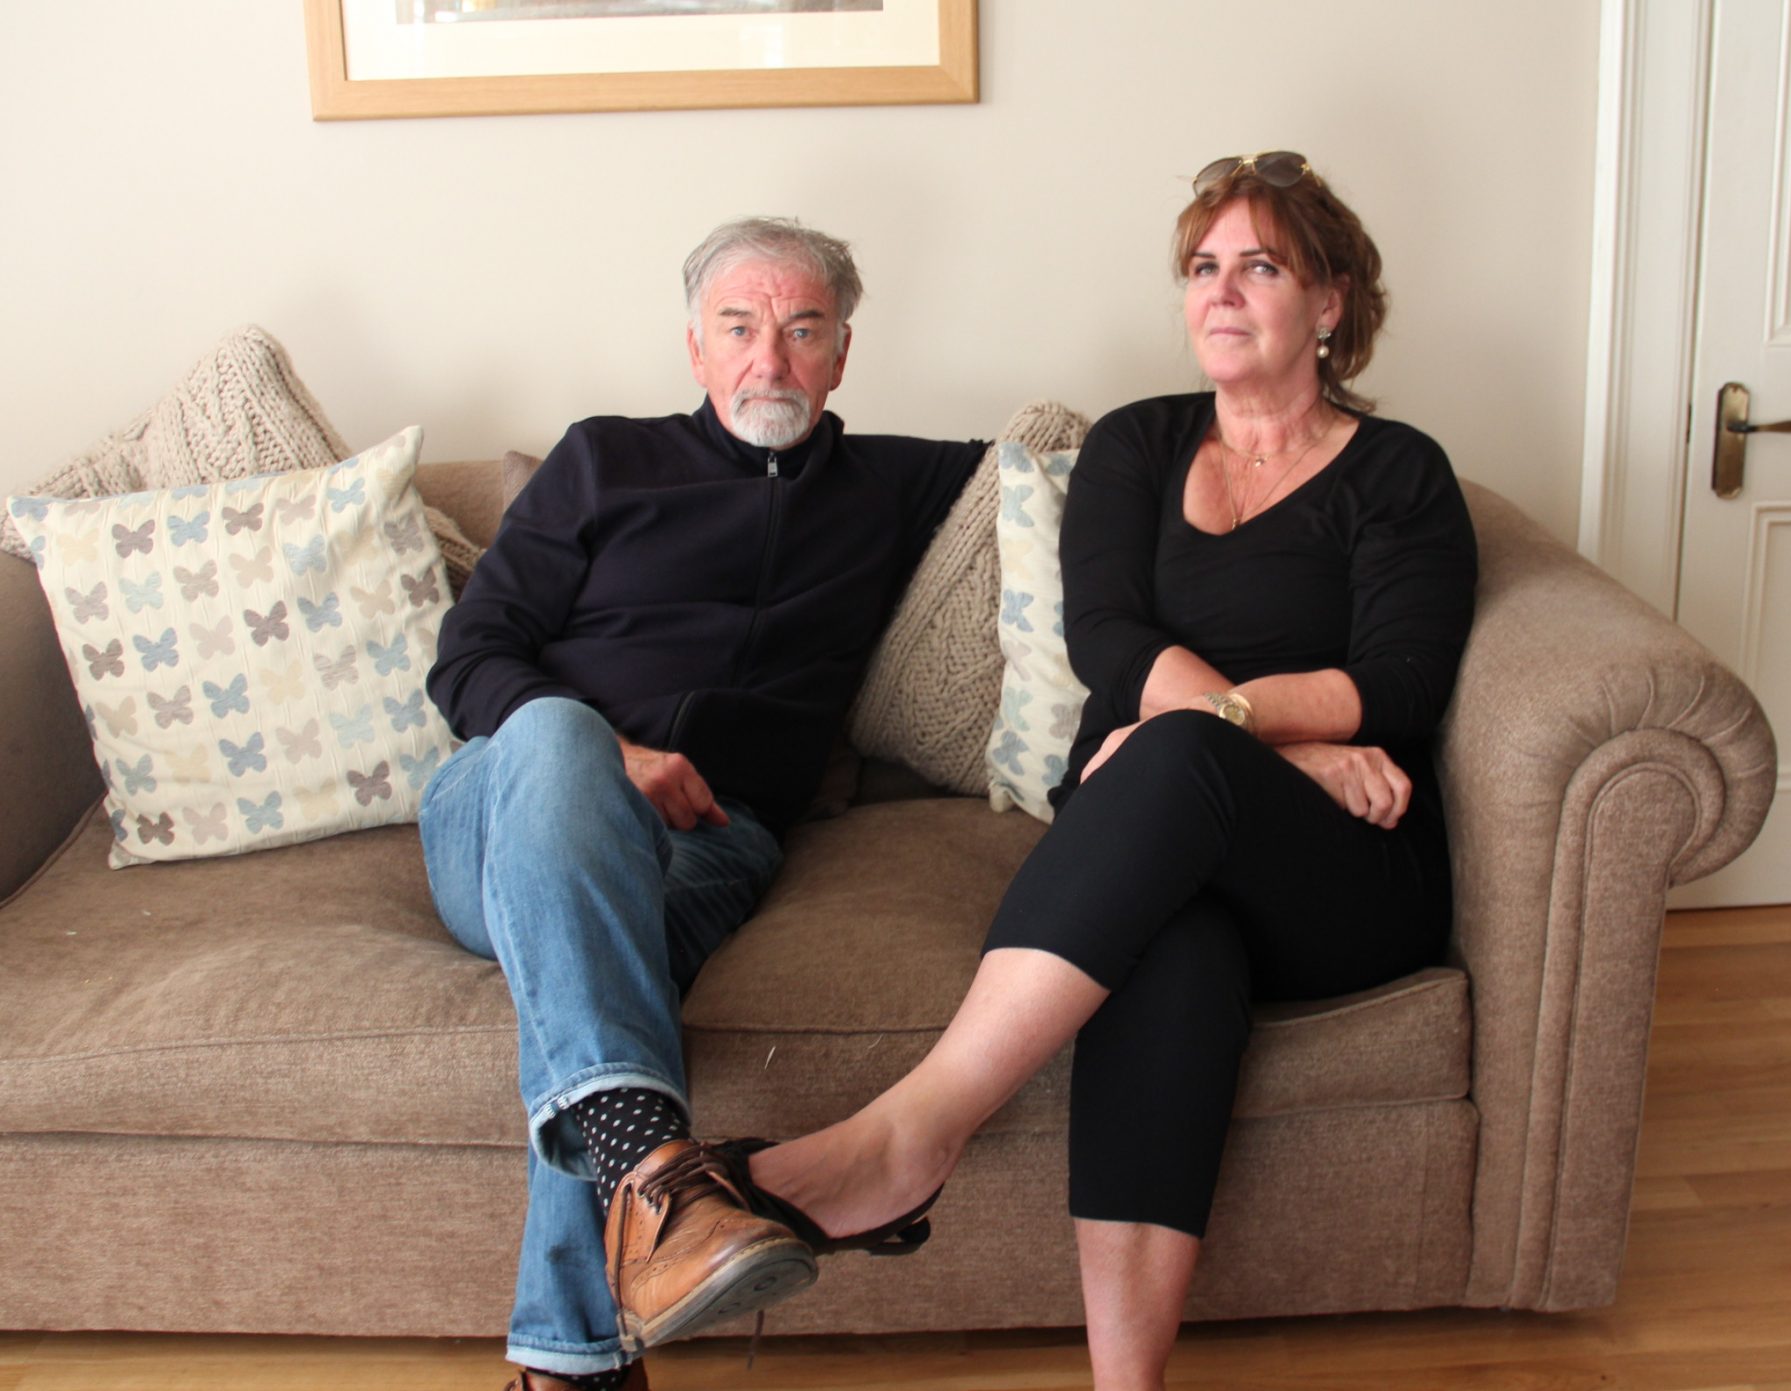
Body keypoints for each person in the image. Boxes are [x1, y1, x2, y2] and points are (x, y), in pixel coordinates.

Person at [689, 153, 1479, 1390]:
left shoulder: (1399, 473)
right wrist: (1292, 742)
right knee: (1172, 950)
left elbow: (1402, 683)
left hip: (1344, 871)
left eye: (1259, 266)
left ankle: (912, 1132)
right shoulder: (1139, 443)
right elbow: (1106, 639)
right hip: (1171, 831)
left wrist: (1217, 731)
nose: (1220, 292)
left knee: (1174, 756)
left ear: (1330, 304)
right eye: (1203, 267)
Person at [420, 216, 984, 1391]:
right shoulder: (602, 458)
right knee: (561, 734)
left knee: (603, 975)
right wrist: (607, 752)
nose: (768, 359)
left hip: (710, 845)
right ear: (694, 348)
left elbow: (1089, 470)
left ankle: (577, 1352)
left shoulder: (897, 482)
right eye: (739, 326)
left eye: (801, 328)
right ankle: (656, 1184)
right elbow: (469, 655)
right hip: (512, 807)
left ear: (841, 355)